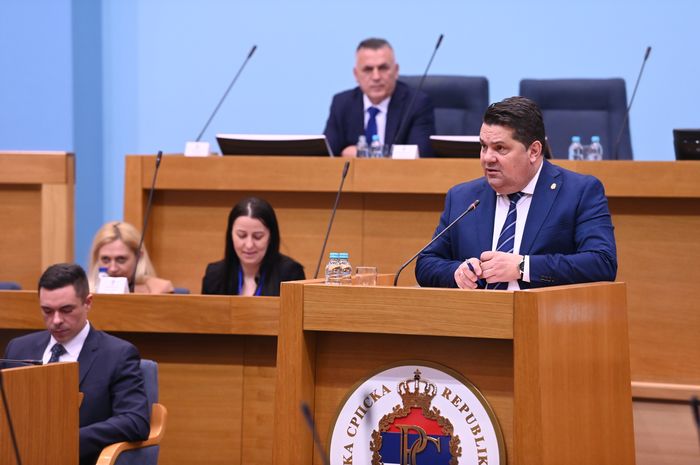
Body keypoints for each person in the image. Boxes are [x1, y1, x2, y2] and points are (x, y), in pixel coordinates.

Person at [415, 96, 617, 289]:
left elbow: (602, 262)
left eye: (500, 148)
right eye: (484, 147)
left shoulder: (579, 192)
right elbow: (426, 263)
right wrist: (457, 273)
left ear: (534, 151)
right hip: (478, 311)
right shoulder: (463, 197)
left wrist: (523, 267)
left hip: (543, 312)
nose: (487, 158)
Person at [3, 263, 150, 465]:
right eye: (47, 311)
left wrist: (66, 440)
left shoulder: (118, 354)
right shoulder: (18, 348)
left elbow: (135, 421)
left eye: (66, 310)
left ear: (88, 303)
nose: (56, 320)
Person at [323, 37, 436, 157]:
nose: (376, 77)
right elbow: (326, 154)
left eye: (383, 68)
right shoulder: (342, 103)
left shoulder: (416, 103)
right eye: (368, 69)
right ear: (356, 74)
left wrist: (363, 153)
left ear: (396, 71)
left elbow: (421, 155)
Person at [202, 197, 305, 295]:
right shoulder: (214, 275)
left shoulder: (291, 275)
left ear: (271, 236)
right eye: (241, 235)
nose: (249, 245)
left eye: (258, 236)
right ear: (231, 235)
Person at [88, 221, 174, 294]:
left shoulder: (159, 290)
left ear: (138, 257)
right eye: (105, 259)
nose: (113, 269)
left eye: (121, 259)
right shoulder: (86, 291)